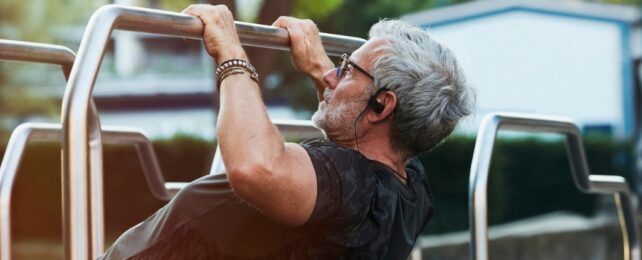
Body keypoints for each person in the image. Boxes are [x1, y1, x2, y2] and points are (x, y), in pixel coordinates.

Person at [100, 4, 473, 260]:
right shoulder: (409, 191)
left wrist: (231, 51)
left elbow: (256, 167)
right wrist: (318, 69)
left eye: (346, 69)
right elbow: (355, 140)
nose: (332, 75)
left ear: (383, 105)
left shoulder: (349, 186)